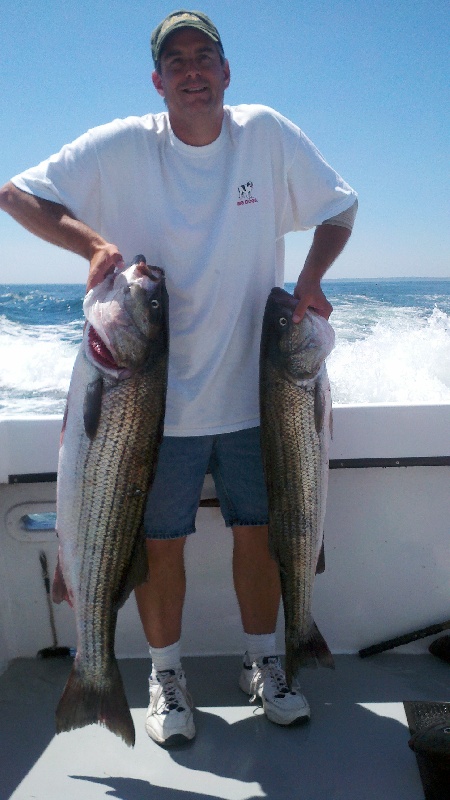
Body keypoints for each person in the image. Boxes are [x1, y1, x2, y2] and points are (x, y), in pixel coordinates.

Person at [0, 10, 357, 746]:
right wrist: (93, 244)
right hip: (152, 404)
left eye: (205, 57)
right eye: (177, 62)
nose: (192, 71)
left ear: (227, 72)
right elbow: (17, 194)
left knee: (257, 535)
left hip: (256, 394)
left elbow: (340, 206)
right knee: (160, 544)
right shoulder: (126, 144)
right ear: (157, 80)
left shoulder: (268, 134)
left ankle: (267, 665)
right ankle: (166, 679)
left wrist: (312, 277)